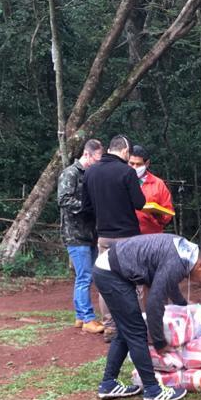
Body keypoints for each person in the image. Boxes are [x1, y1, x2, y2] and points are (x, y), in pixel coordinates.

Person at [92, 234, 201, 400]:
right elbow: (154, 303)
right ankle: (152, 389)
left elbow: (168, 282)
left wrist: (183, 305)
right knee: (136, 330)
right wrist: (159, 341)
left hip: (111, 269)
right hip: (111, 273)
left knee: (126, 329)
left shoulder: (186, 253)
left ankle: (108, 384)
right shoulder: (179, 260)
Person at [82, 133, 146, 341]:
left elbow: (85, 207)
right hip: (128, 238)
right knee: (135, 282)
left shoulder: (90, 172)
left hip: (104, 237)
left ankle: (110, 327)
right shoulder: (127, 172)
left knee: (106, 283)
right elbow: (140, 203)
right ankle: (136, 325)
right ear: (125, 151)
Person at [57, 137, 104, 333]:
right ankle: (87, 318)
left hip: (90, 233)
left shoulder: (91, 174)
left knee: (86, 276)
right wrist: (87, 206)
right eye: (97, 159)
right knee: (84, 277)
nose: (99, 163)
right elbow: (63, 199)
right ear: (87, 154)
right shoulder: (70, 173)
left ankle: (80, 315)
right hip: (75, 234)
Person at [128, 145, 176, 234]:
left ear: (147, 163)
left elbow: (168, 214)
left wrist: (158, 215)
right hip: (125, 235)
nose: (134, 167)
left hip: (151, 236)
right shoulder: (120, 180)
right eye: (131, 163)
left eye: (138, 164)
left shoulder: (158, 184)